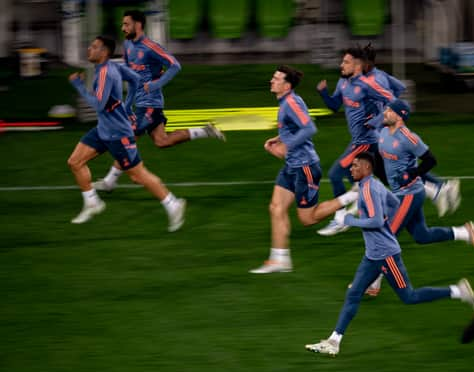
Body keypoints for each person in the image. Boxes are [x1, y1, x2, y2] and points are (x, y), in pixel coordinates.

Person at [305, 152, 474, 356]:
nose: (350, 169)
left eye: (355, 166)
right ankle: (334, 341)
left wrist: (349, 221)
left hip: (386, 256)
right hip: (373, 255)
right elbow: (394, 205)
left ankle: (458, 291)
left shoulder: (369, 190)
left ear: (367, 168)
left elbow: (376, 221)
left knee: (409, 297)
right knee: (353, 294)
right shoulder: (374, 185)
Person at [93, 9, 225, 192]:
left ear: (138, 25)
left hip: (150, 104)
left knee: (127, 137)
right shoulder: (128, 46)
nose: (122, 28)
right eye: (122, 24)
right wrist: (127, 103)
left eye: (126, 24)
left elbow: (175, 65)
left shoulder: (150, 47)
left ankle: (110, 181)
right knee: (162, 141)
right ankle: (204, 131)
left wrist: (156, 84)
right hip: (139, 103)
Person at [363, 99, 474, 297]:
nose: (384, 112)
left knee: (385, 237)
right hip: (398, 193)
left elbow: (430, 160)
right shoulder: (384, 133)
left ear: (399, 115)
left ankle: (373, 282)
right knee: (421, 236)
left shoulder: (408, 138)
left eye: (389, 110)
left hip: (410, 194)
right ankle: (465, 233)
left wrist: (413, 173)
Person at [67, 36, 186, 232]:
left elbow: (98, 104)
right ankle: (92, 203)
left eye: (94, 47)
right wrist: (127, 106)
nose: (89, 49)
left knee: (138, 176)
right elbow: (135, 79)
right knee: (75, 161)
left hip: (118, 134)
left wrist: (79, 86)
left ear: (104, 52)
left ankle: (173, 204)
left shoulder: (105, 73)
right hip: (103, 129)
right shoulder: (113, 67)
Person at [249, 66, 358, 274]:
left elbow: (309, 128)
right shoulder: (285, 102)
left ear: (287, 85)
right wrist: (279, 138)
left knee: (307, 219)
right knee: (276, 207)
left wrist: (287, 145)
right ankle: (279, 259)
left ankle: (352, 196)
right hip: (291, 166)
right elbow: (295, 127)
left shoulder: (291, 102)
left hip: (305, 168)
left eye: (276, 78)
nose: (271, 81)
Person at [362, 42, 461, 218]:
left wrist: (383, 114)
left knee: (390, 171)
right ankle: (440, 189)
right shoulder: (378, 76)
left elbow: (387, 99)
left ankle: (436, 190)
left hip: (381, 132)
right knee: (394, 169)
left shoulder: (372, 81)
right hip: (382, 130)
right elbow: (400, 88)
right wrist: (393, 103)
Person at [315, 46, 396, 236]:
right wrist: (324, 93)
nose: (341, 65)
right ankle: (424, 191)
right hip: (358, 141)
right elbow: (335, 106)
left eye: (346, 62)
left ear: (358, 65)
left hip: (367, 141)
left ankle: (341, 220)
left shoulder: (367, 85)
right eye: (342, 61)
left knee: (336, 175)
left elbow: (392, 101)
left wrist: (376, 121)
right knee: (380, 180)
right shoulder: (343, 83)